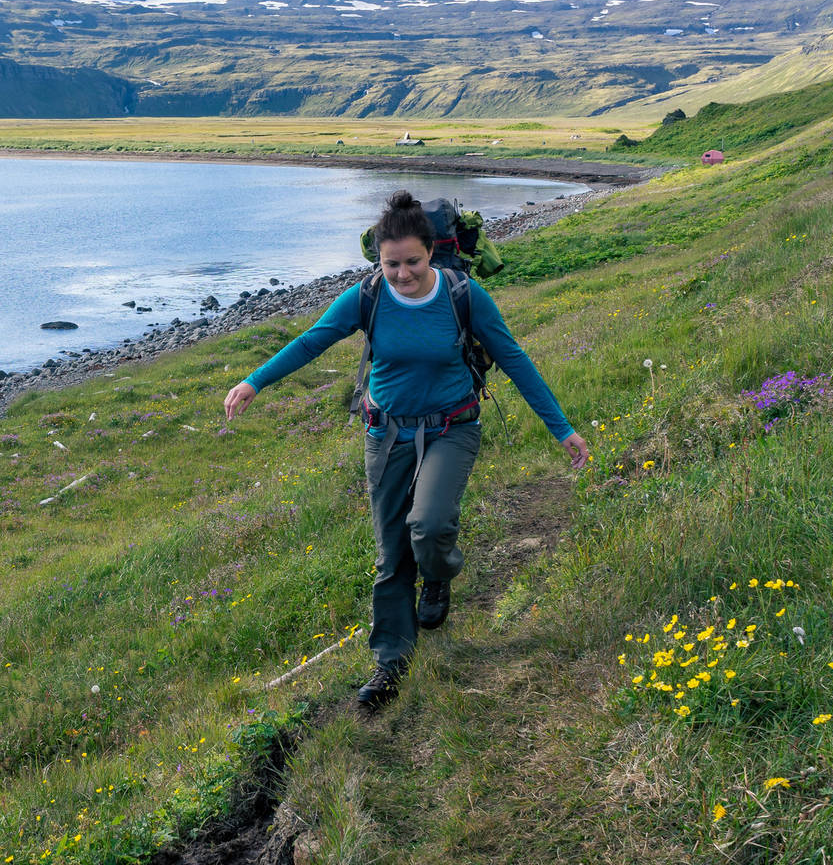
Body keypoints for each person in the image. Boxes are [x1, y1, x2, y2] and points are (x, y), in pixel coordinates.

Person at [223, 191, 589, 710]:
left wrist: (563, 429)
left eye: (412, 262)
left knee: (430, 525)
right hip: (385, 433)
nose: (402, 275)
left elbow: (513, 357)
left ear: (431, 252)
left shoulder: (464, 294)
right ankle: (390, 664)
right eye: (390, 263)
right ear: (379, 260)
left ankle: (438, 576)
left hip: (452, 428)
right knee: (391, 554)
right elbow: (312, 341)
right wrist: (254, 382)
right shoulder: (367, 296)